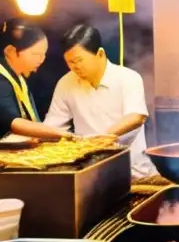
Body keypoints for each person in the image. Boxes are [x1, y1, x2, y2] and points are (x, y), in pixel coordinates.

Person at [45, 25, 156, 178]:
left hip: (133, 172)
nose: (74, 67)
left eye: (79, 60)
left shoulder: (128, 78)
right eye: (70, 62)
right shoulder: (65, 83)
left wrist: (101, 139)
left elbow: (136, 117)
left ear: (100, 54)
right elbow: (53, 126)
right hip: (88, 171)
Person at [0, 22, 70, 141]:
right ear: (10, 51)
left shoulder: (19, 78)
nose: (41, 60)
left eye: (43, 55)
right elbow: (13, 122)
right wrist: (62, 134)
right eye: (35, 54)